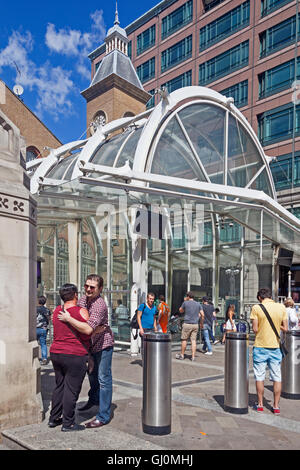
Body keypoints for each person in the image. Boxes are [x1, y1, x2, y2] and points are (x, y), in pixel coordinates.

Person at [58, 274, 114, 429]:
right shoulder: (82, 299)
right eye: (86, 286)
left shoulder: (99, 304)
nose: (88, 289)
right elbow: (80, 319)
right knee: (92, 376)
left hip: (103, 345)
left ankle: (103, 416)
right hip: (89, 345)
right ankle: (94, 400)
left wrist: (70, 320)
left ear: (100, 289)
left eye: (92, 287)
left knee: (103, 379)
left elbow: (88, 328)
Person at [49, 283, 90, 432]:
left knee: (59, 386)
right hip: (74, 354)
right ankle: (68, 423)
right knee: (71, 390)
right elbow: (88, 331)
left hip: (56, 352)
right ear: (75, 295)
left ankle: (53, 418)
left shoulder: (57, 310)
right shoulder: (82, 311)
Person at [250, 287, 288, 414]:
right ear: (270, 296)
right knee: (277, 377)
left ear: (260, 297)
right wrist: (277, 326)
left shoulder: (257, 308)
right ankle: (276, 406)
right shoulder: (281, 307)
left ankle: (260, 404)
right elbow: (285, 328)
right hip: (275, 347)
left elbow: (255, 329)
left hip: (260, 346)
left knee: (259, 376)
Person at [176, 292, 201, 362]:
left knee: (184, 339)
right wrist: (200, 322)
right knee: (193, 340)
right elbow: (202, 314)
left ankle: (182, 355)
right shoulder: (198, 304)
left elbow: (180, 311)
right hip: (195, 324)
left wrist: (184, 302)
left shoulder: (185, 303)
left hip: (187, 323)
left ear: (188, 296)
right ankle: (193, 357)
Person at [137, 292, 158, 358]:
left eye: (153, 299)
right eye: (150, 299)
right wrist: (141, 328)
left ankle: (150, 361)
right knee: (144, 346)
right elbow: (138, 317)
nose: (151, 300)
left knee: (151, 346)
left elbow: (154, 318)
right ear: (147, 299)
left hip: (151, 329)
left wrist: (155, 327)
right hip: (144, 329)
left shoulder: (154, 307)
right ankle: (144, 362)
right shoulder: (142, 306)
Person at [36, 295, 51, 365]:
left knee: (34, 344)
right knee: (43, 344)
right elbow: (49, 319)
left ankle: (34, 358)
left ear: (38, 301)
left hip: (34, 329)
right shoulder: (47, 310)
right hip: (43, 329)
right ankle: (44, 358)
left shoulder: (34, 309)